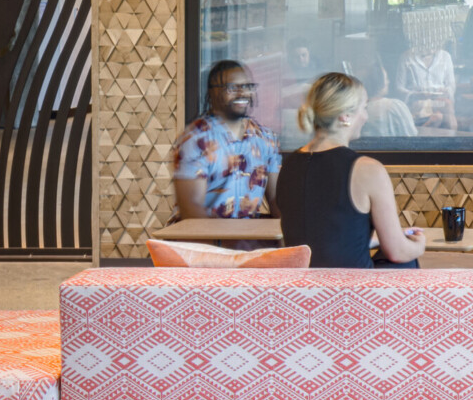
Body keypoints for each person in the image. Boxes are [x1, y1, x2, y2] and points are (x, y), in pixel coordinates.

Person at [276, 72, 428, 268]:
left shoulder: (289, 165)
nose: (365, 116)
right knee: (406, 262)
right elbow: (397, 251)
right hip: (351, 292)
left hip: (300, 289)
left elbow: (319, 238)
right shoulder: (367, 170)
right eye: (363, 108)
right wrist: (419, 245)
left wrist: (373, 240)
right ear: (345, 116)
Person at [171, 60, 282, 220]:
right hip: (199, 241)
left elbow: (275, 200)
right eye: (232, 87)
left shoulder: (266, 139)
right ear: (212, 93)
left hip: (248, 240)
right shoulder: (195, 140)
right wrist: (227, 242)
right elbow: (191, 209)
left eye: (247, 86)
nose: (242, 93)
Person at [399, 40, 458, 130]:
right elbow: (399, 88)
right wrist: (416, 95)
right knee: (443, 112)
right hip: (416, 102)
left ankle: (432, 129)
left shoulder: (445, 56)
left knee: (445, 107)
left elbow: (451, 85)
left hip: (438, 100)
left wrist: (445, 91)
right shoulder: (406, 57)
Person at [359, 62, 418, 139]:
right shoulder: (395, 106)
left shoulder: (358, 109)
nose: (388, 82)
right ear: (379, 81)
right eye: (386, 78)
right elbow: (411, 135)